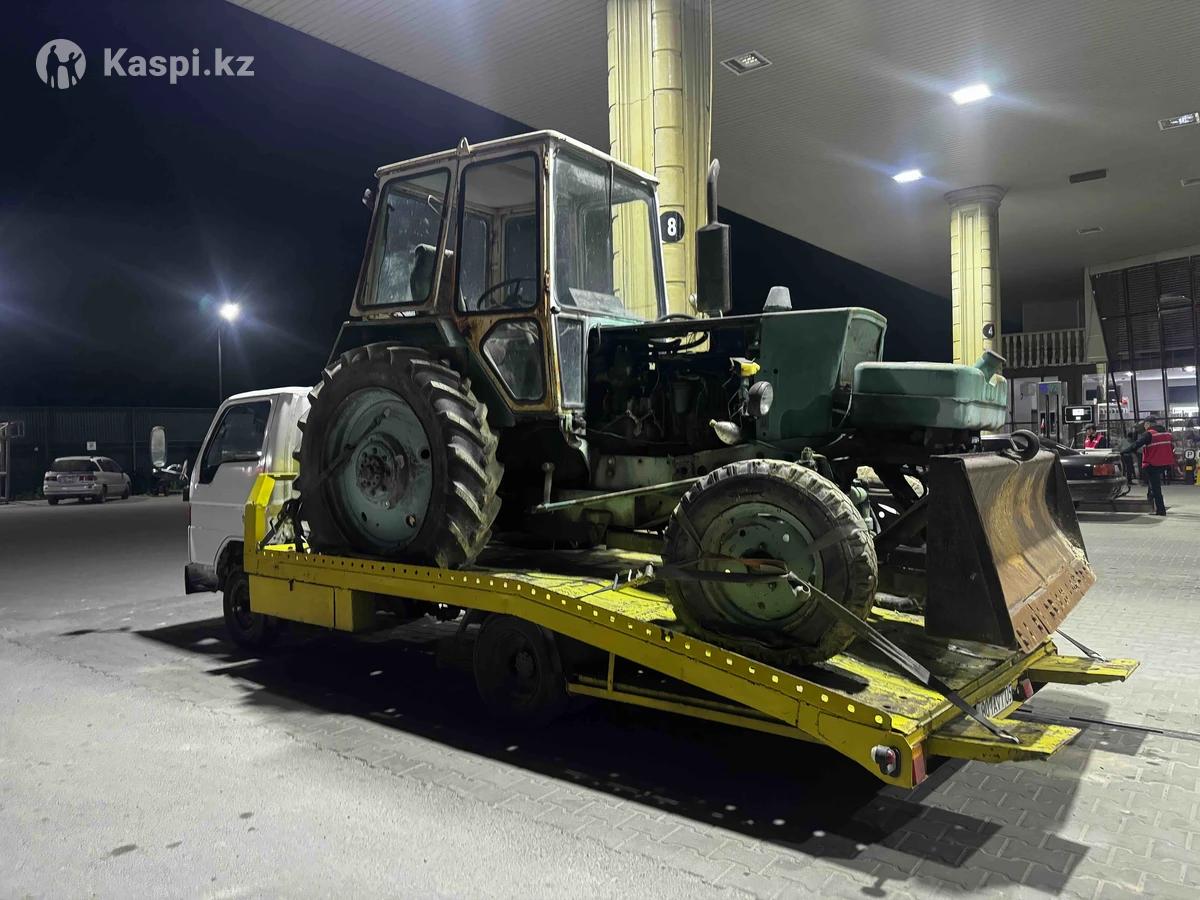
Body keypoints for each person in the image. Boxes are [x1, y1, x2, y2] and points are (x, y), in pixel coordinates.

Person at [1133, 417, 1173, 516]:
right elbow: (1171, 446)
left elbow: (1136, 445)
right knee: (1153, 486)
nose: (1144, 426)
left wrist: (1124, 451)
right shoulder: (1166, 433)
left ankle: (1160, 510)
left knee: (1155, 488)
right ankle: (1154, 506)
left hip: (1152, 463)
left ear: (1148, 424)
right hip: (1164, 463)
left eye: (1145, 424)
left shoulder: (1149, 434)